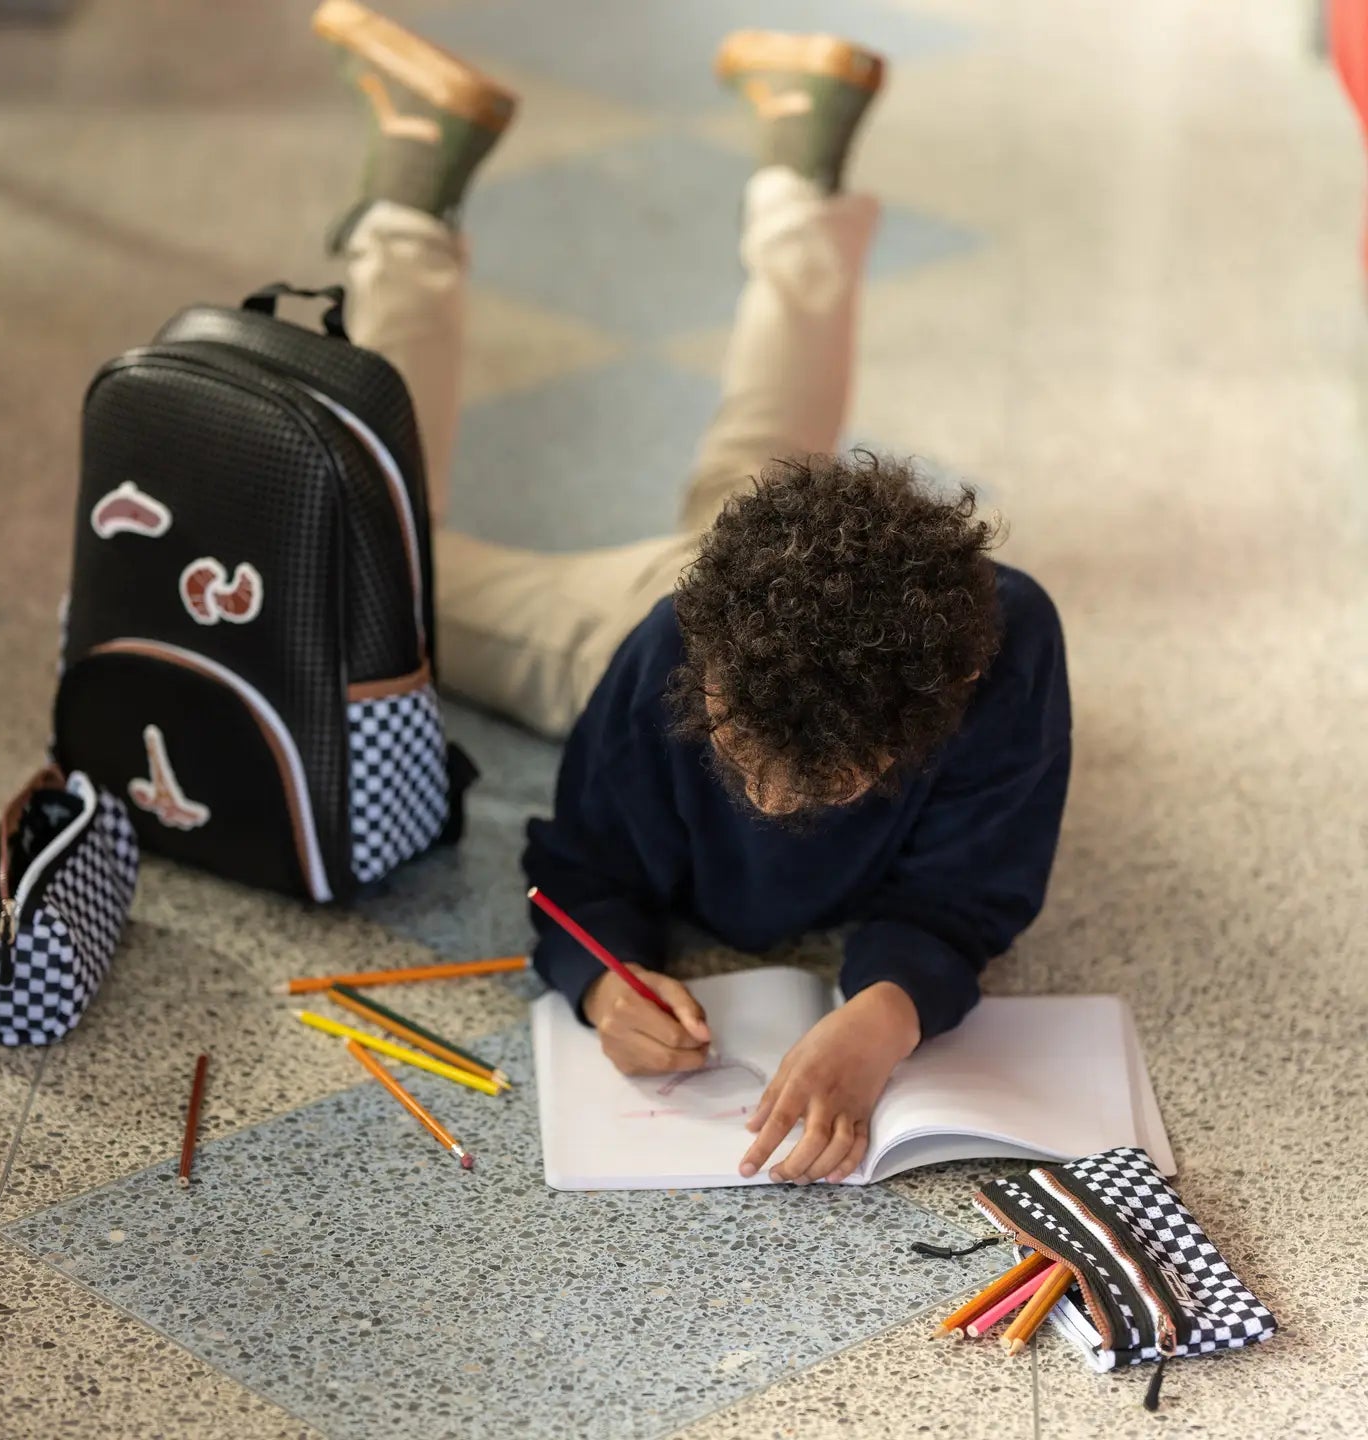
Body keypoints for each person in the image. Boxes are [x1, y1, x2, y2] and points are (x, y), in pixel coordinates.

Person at [314, 2, 1072, 1187]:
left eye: (820, 786)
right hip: (668, 605)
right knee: (374, 576)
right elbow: (579, 866)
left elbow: (972, 888)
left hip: (776, 568)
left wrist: (886, 1012)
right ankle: (411, 198)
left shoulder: (1000, 651)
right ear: (706, 677)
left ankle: (802, 152)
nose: (765, 804)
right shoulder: (668, 650)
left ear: (926, 722)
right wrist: (602, 974)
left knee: (762, 460)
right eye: (735, 751)